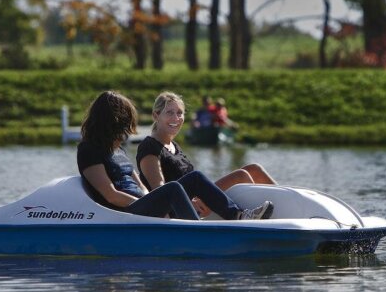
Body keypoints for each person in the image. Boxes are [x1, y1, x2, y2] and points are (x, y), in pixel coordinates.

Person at [78, 90, 272, 221]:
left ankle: (238, 216)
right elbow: (110, 195)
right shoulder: (89, 150)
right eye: (123, 125)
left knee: (195, 179)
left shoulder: (118, 149)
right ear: (110, 123)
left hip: (144, 204)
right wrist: (147, 202)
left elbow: (142, 186)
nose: (126, 132)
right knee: (172, 189)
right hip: (128, 211)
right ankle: (198, 233)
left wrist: (153, 201)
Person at [137, 92, 277, 217]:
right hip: (177, 206)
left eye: (180, 113)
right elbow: (160, 190)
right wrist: (188, 202)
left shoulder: (174, 146)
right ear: (156, 115)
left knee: (254, 169)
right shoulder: (150, 145)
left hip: (197, 198)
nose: (176, 118)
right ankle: (245, 215)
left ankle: (284, 205)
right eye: (169, 112)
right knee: (241, 175)